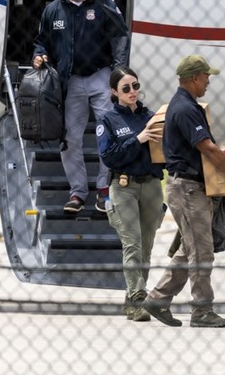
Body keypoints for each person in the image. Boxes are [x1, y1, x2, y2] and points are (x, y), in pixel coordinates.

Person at [143, 54, 225, 328]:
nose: (208, 81)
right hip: (187, 189)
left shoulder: (185, 105)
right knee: (202, 252)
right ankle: (202, 311)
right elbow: (207, 148)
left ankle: (158, 300)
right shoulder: (185, 109)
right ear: (194, 77)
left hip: (189, 187)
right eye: (206, 76)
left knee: (189, 249)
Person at [32, 0, 129, 214]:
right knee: (70, 139)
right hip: (71, 81)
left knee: (109, 133)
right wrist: (39, 55)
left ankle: (103, 189)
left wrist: (118, 74)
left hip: (101, 76)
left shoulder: (104, 4)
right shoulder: (53, 10)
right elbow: (41, 41)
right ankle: (77, 192)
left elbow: (120, 35)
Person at [96, 67, 165, 322]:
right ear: (114, 92)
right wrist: (138, 140)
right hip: (124, 186)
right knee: (132, 244)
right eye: (126, 88)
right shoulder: (108, 120)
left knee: (146, 246)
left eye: (135, 86)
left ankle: (133, 298)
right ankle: (138, 300)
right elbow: (109, 156)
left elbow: (163, 153)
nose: (132, 91)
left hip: (152, 185)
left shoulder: (151, 117)